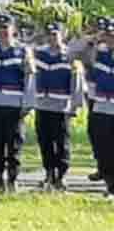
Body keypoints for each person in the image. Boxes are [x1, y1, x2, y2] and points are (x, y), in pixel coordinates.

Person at [0, 13, 35, 193]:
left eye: (6, 28)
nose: (3, 32)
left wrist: (27, 103)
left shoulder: (22, 51)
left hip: (14, 104)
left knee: (13, 145)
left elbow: (30, 78)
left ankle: (12, 179)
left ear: (13, 29)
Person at [32, 22, 86, 191]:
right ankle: (49, 173)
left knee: (62, 143)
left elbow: (77, 82)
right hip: (42, 105)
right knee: (45, 142)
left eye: (55, 35)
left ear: (62, 36)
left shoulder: (70, 56)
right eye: (49, 35)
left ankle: (61, 176)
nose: (52, 38)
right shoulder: (39, 54)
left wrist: (75, 106)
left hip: (62, 107)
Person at [82, 20, 114, 201]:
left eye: (112, 35)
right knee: (104, 149)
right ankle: (110, 184)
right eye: (107, 35)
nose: (110, 39)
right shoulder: (99, 53)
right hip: (101, 106)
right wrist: (93, 39)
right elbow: (76, 53)